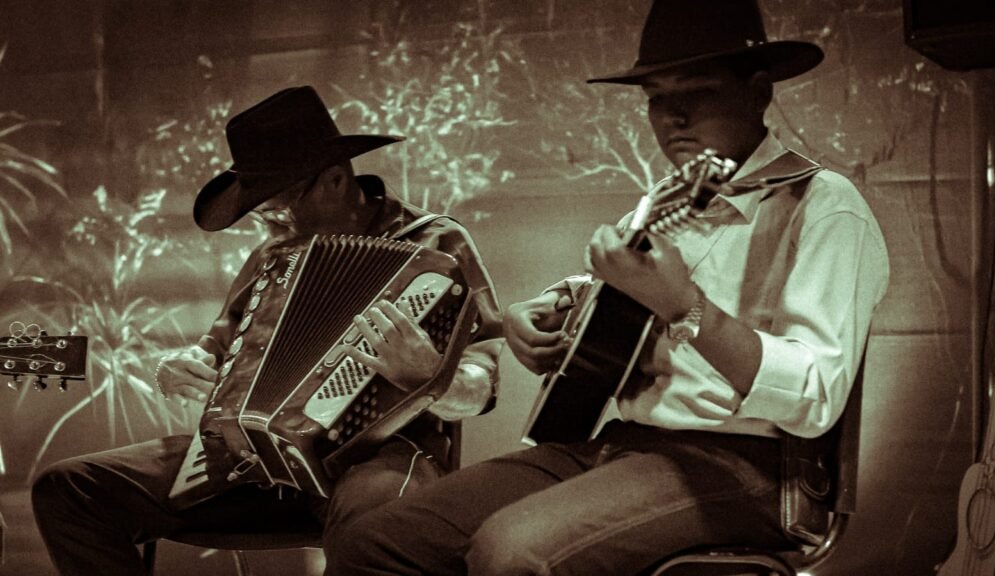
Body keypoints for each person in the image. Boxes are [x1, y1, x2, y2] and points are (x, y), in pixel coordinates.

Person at [330, 0, 891, 574]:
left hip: (752, 468)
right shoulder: (664, 206)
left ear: (758, 90)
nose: (671, 117)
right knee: (374, 541)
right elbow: (610, 309)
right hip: (619, 444)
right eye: (655, 99)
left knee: (512, 552)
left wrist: (686, 306)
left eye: (693, 92)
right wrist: (548, 316)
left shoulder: (824, 205)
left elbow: (817, 395)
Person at [31, 85, 503, 576]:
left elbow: (484, 384)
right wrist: (185, 370)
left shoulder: (436, 246)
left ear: (336, 179)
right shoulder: (273, 259)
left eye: (278, 210)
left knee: (374, 526)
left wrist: (432, 376)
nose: (270, 228)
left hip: (383, 457)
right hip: (254, 458)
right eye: (262, 215)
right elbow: (218, 355)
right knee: (71, 489)